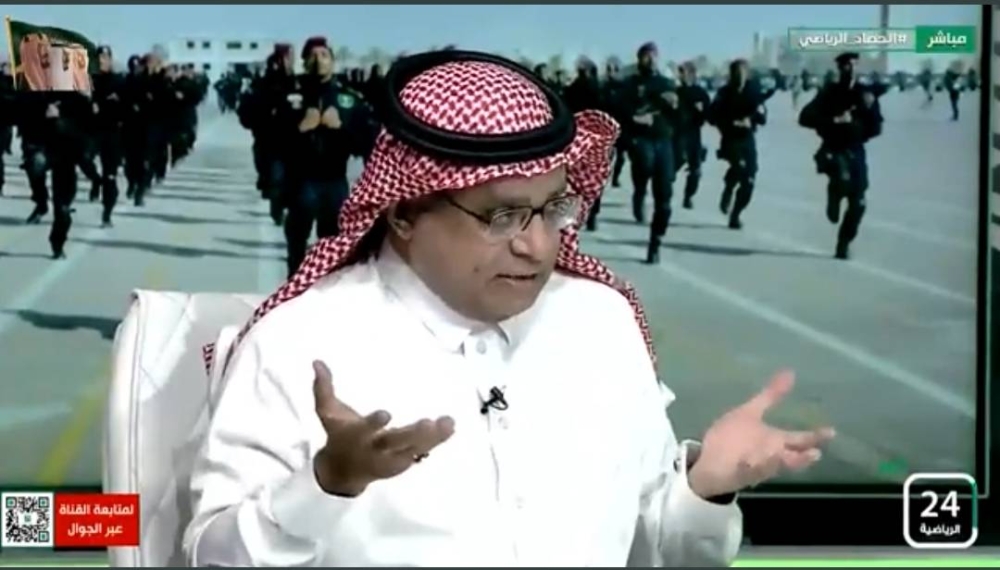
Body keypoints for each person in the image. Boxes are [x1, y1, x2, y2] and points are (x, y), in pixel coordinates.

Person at [184, 50, 834, 567]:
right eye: (502, 217)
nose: (538, 245)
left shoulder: (600, 321)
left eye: (554, 210)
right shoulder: (301, 341)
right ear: (405, 212)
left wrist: (705, 488)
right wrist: (328, 483)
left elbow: (660, 548)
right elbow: (209, 556)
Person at [798, 52, 883, 260]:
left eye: (854, 65)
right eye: (846, 66)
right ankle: (834, 193)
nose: (851, 69)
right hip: (833, 149)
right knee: (842, 179)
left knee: (859, 203)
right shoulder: (829, 92)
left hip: (855, 149)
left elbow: (876, 127)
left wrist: (858, 124)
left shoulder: (865, 94)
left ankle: (844, 242)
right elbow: (805, 117)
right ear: (839, 68)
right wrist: (833, 121)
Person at [622, 42, 679, 264]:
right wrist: (634, 118)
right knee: (643, 167)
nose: (651, 60)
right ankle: (639, 194)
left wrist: (674, 105)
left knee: (664, 199)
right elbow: (618, 108)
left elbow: (680, 116)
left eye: (654, 55)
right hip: (641, 139)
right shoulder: (631, 84)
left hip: (663, 141)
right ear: (639, 59)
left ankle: (656, 242)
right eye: (646, 56)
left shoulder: (666, 83)